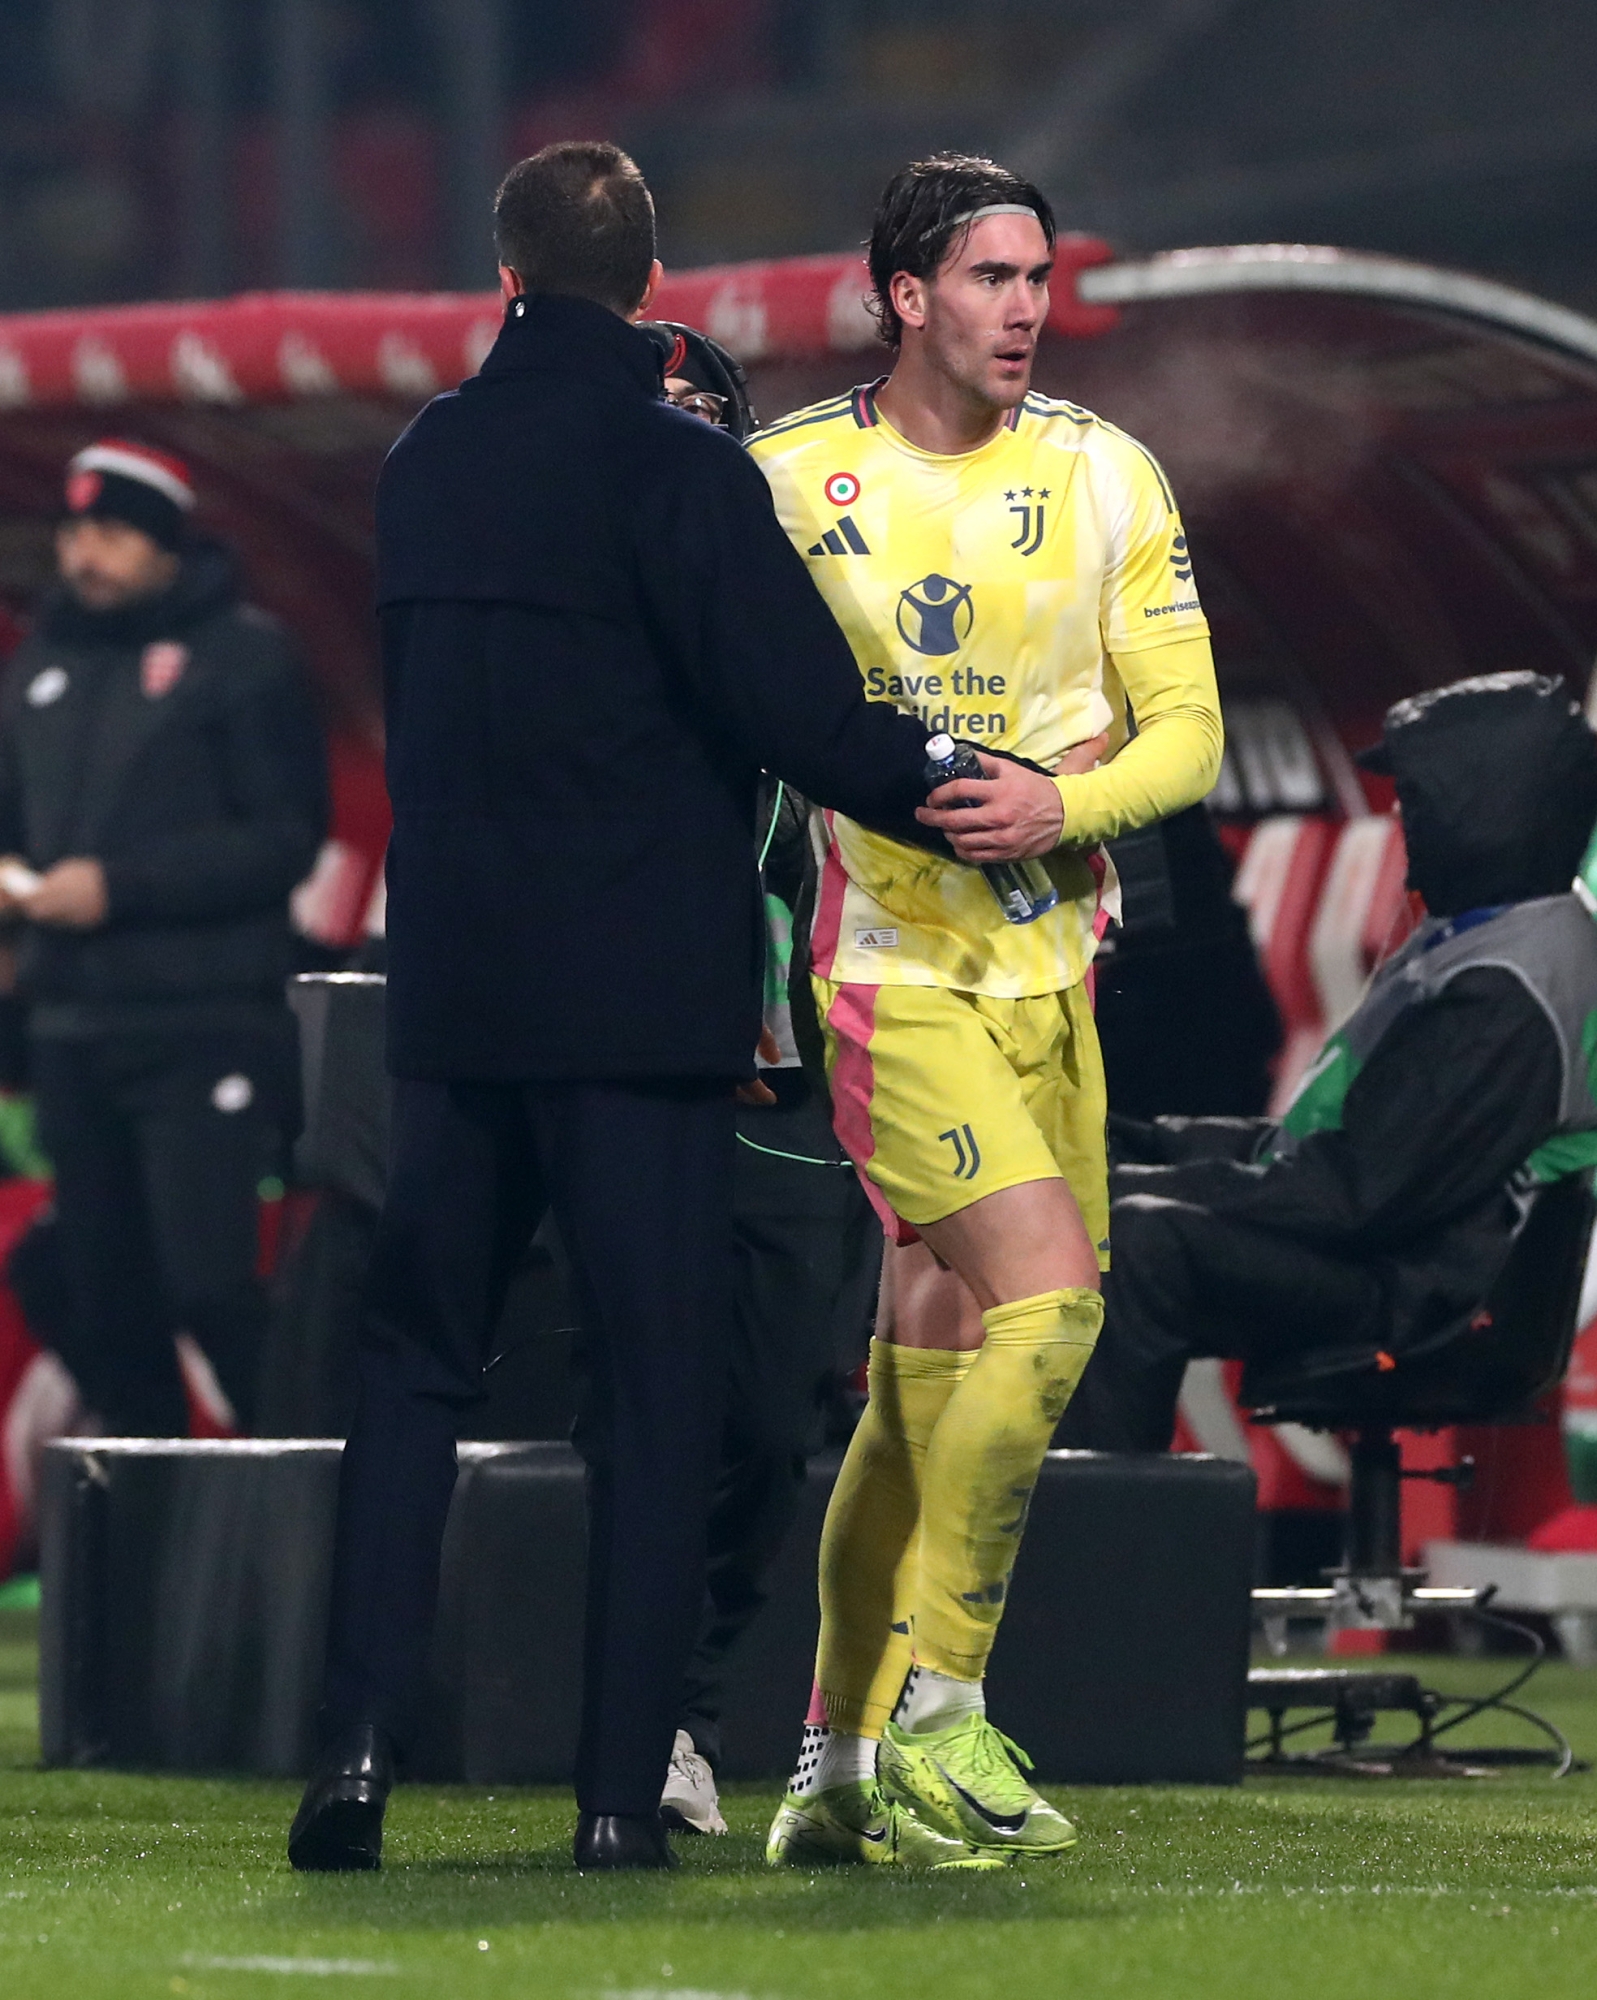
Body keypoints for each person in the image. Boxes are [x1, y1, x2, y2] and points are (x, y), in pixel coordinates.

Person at [286, 141, 978, 1878]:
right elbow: (809, 720)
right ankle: (613, 1797)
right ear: (652, 283)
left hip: (455, 1002)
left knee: (412, 1376)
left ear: (502, 274)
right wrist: (963, 782)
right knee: (657, 1400)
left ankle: (353, 1763)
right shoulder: (676, 474)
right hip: (639, 1013)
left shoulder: (422, 463)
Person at [748, 152, 1223, 1866]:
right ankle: (943, 1709)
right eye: (990, 278)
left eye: (1037, 278)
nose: (1024, 308)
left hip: (1055, 982)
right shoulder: (792, 486)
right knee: (1056, 1311)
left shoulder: (1104, 475)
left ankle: (833, 1772)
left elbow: (1187, 730)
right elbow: (724, 733)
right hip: (888, 975)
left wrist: (1061, 809)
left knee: (920, 1376)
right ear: (904, 295)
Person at [1056, 672, 1597, 1453]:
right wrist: (1136, 1142)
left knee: (1130, 1247)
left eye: (1418, 789)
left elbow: (1353, 1192)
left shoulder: (1506, 989)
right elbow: (1324, 1149)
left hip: (1425, 1296)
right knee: (1106, 1208)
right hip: (1403, 1256)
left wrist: (1124, 1186)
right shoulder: (1493, 939)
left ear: (1483, 800)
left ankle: (1096, 1545)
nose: (1399, 809)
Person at [627, 324, 889, 1839]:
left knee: (773, 1410)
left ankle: (730, 1703)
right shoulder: (566, 623)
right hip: (634, 1072)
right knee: (639, 1401)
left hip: (798, 1089)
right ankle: (643, 1722)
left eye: (699, 412)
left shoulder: (825, 604)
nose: (672, 435)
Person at [0, 439, 326, 1436]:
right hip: (72, 1026)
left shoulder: (244, 655)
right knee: (103, 1297)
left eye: (111, 532)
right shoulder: (41, 664)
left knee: (210, 1284)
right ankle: (148, 1561)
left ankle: (312, 1488)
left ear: (164, 544)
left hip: (203, 1024)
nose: (85, 552)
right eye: (75, 530)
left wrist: (120, 888)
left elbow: (284, 837)